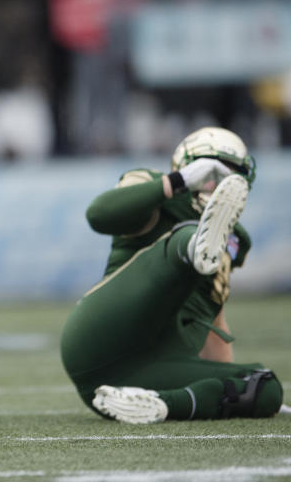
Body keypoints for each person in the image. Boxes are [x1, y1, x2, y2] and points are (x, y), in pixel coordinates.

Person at [60, 127, 284, 423]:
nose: (222, 179)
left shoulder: (235, 239)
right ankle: (192, 246)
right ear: (189, 166)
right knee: (186, 236)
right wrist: (175, 182)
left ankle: (160, 405)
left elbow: (211, 317)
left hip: (155, 366)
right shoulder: (157, 189)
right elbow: (99, 215)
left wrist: (232, 386)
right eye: (213, 169)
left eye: (232, 172)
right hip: (103, 337)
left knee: (266, 387)